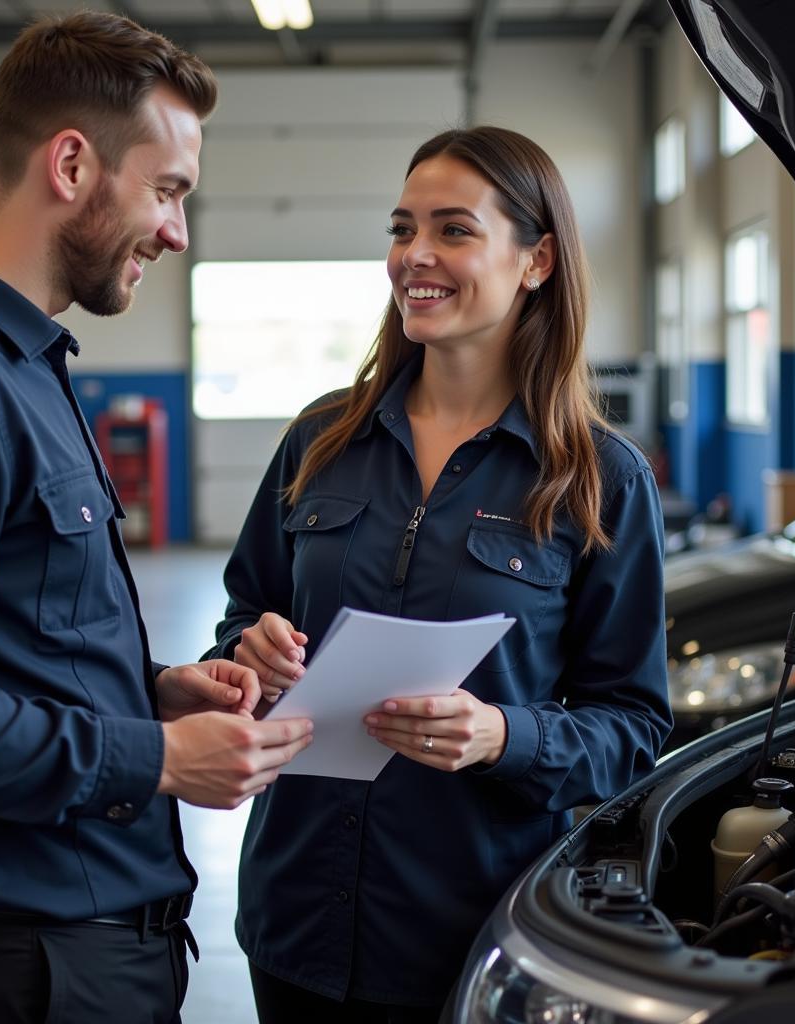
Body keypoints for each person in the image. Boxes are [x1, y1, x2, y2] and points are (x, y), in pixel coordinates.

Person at [0, 12, 313, 1024]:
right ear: (73, 164)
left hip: (79, 949)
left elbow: (12, 645)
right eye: (167, 191)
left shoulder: (21, 364)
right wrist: (159, 759)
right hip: (10, 970)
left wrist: (154, 693)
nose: (176, 230)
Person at [205, 125, 673, 1022]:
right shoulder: (320, 442)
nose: (414, 255)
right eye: (401, 228)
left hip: (468, 934)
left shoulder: (597, 480)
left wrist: (504, 734)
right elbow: (239, 619)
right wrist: (247, 654)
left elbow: (633, 727)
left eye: (453, 229)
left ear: (536, 261)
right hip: (296, 917)